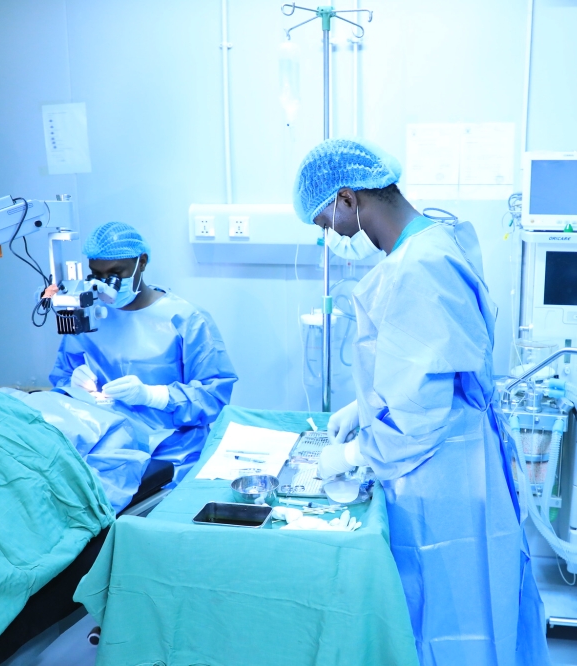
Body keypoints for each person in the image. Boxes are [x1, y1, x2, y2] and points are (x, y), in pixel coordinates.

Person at [294, 138, 548, 666]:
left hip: (443, 470)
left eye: (326, 223)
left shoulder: (419, 266)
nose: (331, 236)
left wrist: (356, 453)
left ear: (347, 199)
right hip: (447, 454)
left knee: (454, 618)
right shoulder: (430, 240)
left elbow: (419, 410)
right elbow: (424, 366)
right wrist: (363, 410)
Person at [50, 221, 237, 484]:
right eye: (97, 275)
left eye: (116, 273)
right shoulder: (89, 315)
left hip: (169, 457)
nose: (106, 285)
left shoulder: (185, 319)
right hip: (101, 451)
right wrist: (72, 385)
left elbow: (214, 396)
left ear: (143, 262)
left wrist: (155, 396)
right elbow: (61, 379)